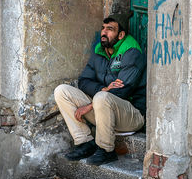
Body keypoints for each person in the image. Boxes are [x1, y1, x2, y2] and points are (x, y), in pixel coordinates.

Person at [54, 14, 146, 166]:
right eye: (103, 28)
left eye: (110, 29)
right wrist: (103, 88)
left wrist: (90, 105)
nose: (104, 32)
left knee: (102, 97)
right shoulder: (100, 51)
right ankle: (85, 142)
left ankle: (106, 150)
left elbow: (124, 90)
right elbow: (84, 81)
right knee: (62, 91)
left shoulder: (131, 51)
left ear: (121, 34)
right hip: (104, 110)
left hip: (132, 116)